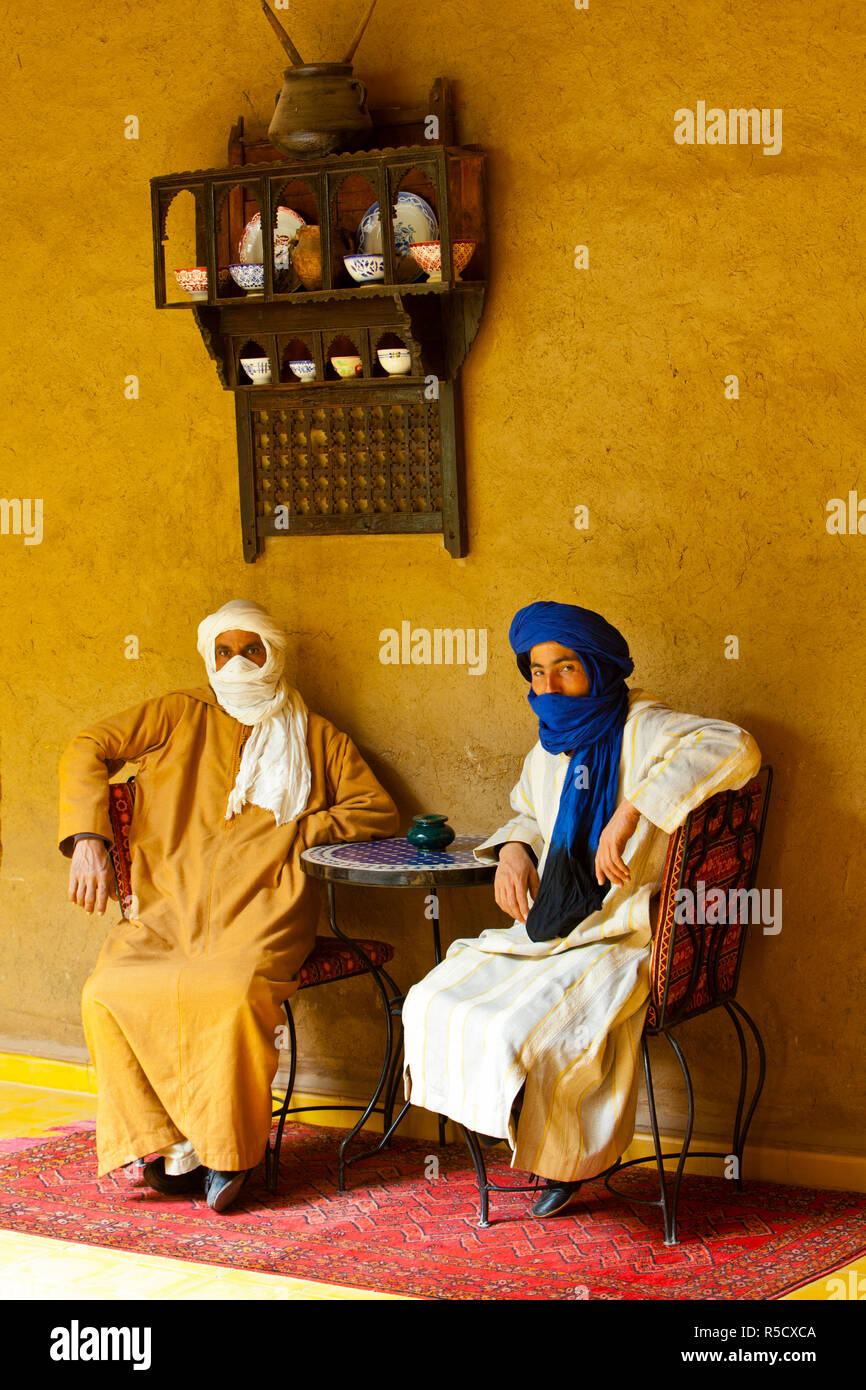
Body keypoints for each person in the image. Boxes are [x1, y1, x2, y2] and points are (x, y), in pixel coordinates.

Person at [401, 600, 761, 1217]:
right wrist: (515, 848)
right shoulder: (550, 747)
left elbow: (735, 745)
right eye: (537, 672)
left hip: (630, 931)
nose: (548, 686)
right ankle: (524, 1145)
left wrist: (629, 812)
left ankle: (565, 1161)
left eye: (565, 668)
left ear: (597, 667)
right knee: (432, 998)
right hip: (558, 927)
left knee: (528, 1026)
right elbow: (530, 811)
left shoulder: (644, 726)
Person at [59, 599, 399, 1212]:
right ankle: (168, 1145)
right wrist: (89, 838)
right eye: (224, 651)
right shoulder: (176, 714)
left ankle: (227, 1154)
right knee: (105, 990)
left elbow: (377, 812)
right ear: (207, 658)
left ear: (275, 654)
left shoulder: (318, 737)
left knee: (230, 992)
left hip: (266, 912)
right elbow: (87, 746)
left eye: (251, 650)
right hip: (165, 913)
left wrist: (299, 832)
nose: (237, 663)